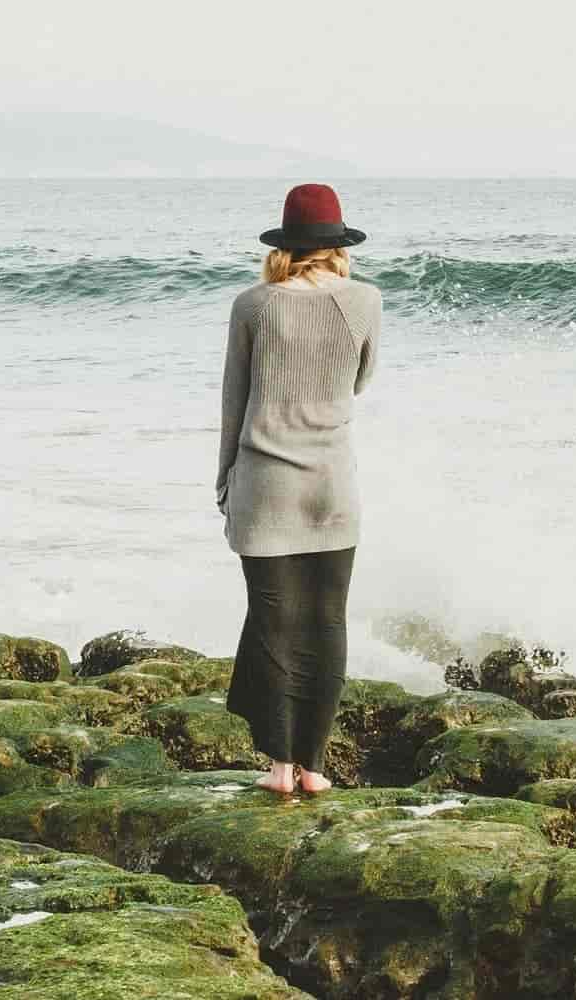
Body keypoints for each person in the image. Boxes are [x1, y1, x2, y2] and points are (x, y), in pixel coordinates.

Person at [216, 183, 382, 795]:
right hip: (334, 482)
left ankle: (280, 769)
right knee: (328, 621)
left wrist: (223, 481)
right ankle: (315, 768)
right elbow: (361, 381)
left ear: (285, 244)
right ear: (337, 245)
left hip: (265, 482)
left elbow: (234, 401)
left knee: (273, 625)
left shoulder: (253, 305)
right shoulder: (365, 301)